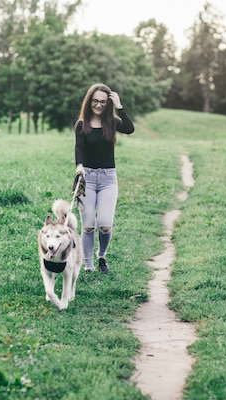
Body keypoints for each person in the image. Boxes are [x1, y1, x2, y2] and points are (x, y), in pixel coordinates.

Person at [73, 83, 135, 274]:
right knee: (89, 225)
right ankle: (89, 265)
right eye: (95, 101)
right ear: (89, 101)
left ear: (107, 103)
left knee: (105, 225)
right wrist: (79, 166)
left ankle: (102, 255)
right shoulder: (82, 124)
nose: (98, 105)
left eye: (102, 101)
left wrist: (120, 106)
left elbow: (130, 129)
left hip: (108, 179)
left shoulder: (113, 122)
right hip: (87, 178)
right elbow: (79, 147)